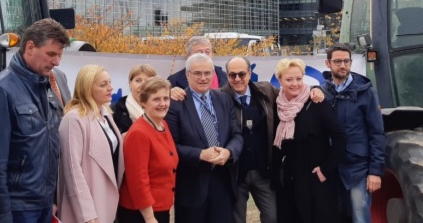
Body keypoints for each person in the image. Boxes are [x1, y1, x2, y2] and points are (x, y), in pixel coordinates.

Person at [170, 55, 325, 223]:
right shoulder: (222, 96)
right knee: (236, 218)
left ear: (250, 73)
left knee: (272, 216)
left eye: (242, 74)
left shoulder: (265, 91)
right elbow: (173, 143)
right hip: (235, 173)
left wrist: (317, 89)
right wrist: (171, 90)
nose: (237, 79)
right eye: (232, 75)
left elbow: (293, 91)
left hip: (263, 171)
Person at [0, 18, 70, 223]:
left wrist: (52, 198)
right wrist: (2, 215)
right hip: (17, 207)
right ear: (30, 47)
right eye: (51, 54)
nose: (56, 62)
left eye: (59, 55)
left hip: (44, 205)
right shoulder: (0, 90)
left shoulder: (47, 85)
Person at [165, 53, 243, 223]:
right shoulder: (174, 104)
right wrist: (200, 154)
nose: (203, 78)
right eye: (197, 73)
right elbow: (171, 147)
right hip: (192, 187)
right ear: (187, 75)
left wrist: (229, 152)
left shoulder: (224, 100)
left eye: (207, 73)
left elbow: (237, 135)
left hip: (223, 183)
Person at [273, 58, 346, 223]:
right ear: (280, 80)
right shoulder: (277, 105)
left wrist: (326, 169)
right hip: (289, 181)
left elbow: (340, 136)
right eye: (289, 79)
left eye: (298, 79)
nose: (295, 84)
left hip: (315, 180)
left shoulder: (316, 101)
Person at [322, 44, 385, 223]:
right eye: (338, 61)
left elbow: (377, 133)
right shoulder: (322, 92)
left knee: (360, 216)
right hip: (332, 168)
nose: (343, 65)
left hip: (358, 168)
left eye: (346, 61)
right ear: (328, 63)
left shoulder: (365, 92)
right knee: (336, 215)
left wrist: (375, 171)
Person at [57, 65, 124, 223]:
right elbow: (73, 170)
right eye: (103, 84)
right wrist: (86, 213)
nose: (110, 87)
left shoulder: (106, 115)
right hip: (88, 207)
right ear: (87, 88)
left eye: (110, 82)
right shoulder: (74, 118)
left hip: (106, 201)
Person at [118, 77, 179, 223]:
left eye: (166, 98)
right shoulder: (139, 133)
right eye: (156, 99)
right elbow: (138, 180)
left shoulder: (162, 124)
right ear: (143, 102)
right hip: (142, 213)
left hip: (160, 208)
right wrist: (149, 217)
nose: (163, 104)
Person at [111, 64, 157, 133]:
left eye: (148, 81)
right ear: (130, 84)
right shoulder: (114, 110)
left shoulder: (162, 108)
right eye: (138, 80)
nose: (142, 86)